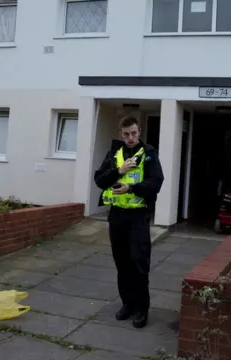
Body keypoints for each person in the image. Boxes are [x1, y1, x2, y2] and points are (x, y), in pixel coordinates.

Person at [93, 115, 164, 329]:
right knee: (122, 263)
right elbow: (99, 179)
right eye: (126, 134)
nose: (130, 138)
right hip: (117, 216)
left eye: (134, 133)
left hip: (138, 217)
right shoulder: (115, 153)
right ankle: (128, 304)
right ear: (121, 134)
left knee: (139, 263)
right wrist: (119, 170)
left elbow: (156, 182)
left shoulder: (149, 154)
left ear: (139, 131)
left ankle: (142, 309)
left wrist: (131, 188)